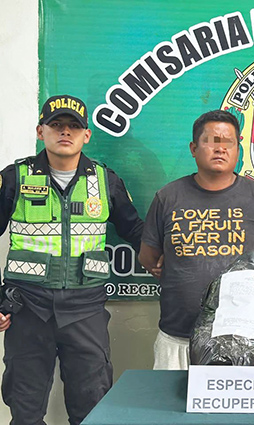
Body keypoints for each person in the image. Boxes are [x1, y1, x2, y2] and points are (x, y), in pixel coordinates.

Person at [0, 94, 147, 425]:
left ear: (86, 135)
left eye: (73, 126)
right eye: (56, 125)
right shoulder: (14, 178)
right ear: (41, 131)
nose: (65, 132)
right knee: (25, 411)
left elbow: (136, 232)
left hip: (85, 309)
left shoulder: (106, 180)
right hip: (28, 309)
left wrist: (174, 260)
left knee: (92, 409)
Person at [139, 109, 254, 370]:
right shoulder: (168, 197)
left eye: (228, 142)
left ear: (238, 150)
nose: (220, 149)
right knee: (168, 398)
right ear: (194, 148)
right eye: (210, 141)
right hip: (178, 337)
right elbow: (148, 257)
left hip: (243, 339)